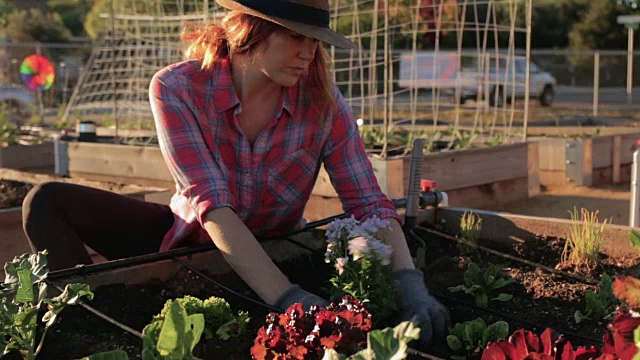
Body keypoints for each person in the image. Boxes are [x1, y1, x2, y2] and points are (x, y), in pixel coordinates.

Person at [21, 0, 448, 349]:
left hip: (278, 248)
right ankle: (95, 324)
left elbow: (367, 202)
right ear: (249, 29)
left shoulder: (322, 104)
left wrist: (410, 285)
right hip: (189, 239)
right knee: (44, 201)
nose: (309, 53)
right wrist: (289, 300)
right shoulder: (178, 88)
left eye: (315, 41)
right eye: (296, 36)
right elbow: (212, 207)